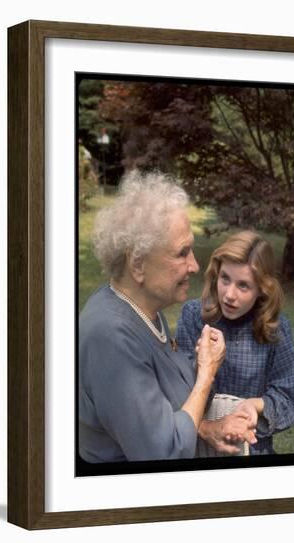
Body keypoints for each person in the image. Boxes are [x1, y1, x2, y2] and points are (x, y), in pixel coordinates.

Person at [79, 172, 256, 463]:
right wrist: (207, 373)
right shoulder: (109, 336)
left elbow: (158, 405)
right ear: (137, 263)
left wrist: (204, 427)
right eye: (182, 253)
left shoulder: (145, 310)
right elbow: (164, 451)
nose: (195, 265)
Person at [176, 230, 294, 455]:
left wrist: (255, 405)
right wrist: (201, 366)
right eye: (225, 279)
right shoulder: (194, 316)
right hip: (198, 445)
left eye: (243, 285)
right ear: (217, 274)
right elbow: (176, 392)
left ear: (262, 289)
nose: (229, 295)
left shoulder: (274, 328)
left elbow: (290, 398)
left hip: (250, 449)